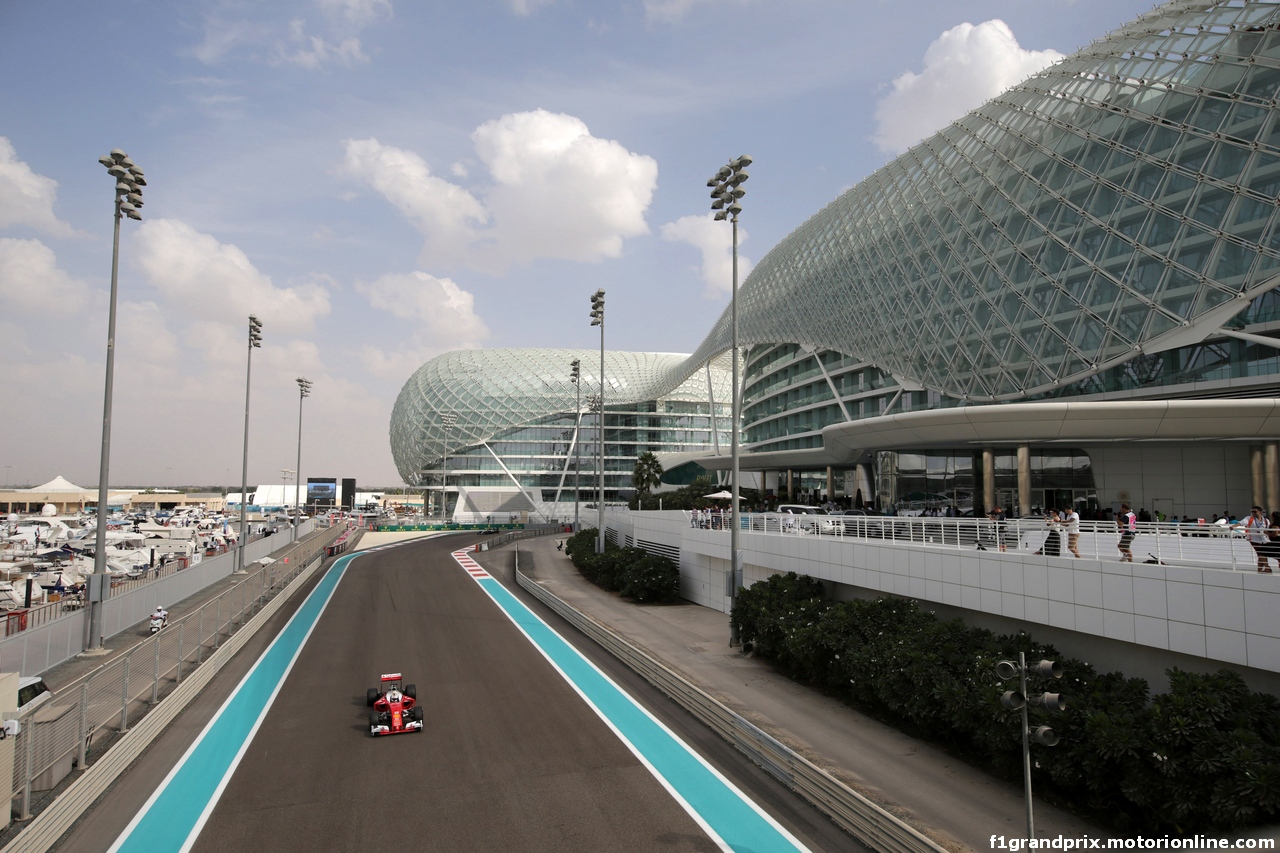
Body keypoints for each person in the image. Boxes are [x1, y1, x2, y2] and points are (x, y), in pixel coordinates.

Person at [1239, 506, 1271, 572]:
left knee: (1261, 554)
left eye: (1255, 511)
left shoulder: (1266, 520)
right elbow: (1242, 522)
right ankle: (1267, 567)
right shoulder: (1249, 518)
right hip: (1253, 539)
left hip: (1264, 540)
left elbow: (1269, 529)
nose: (1253, 513)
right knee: (1261, 553)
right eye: (1252, 511)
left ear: (1260, 512)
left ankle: (1259, 569)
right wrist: (1233, 526)